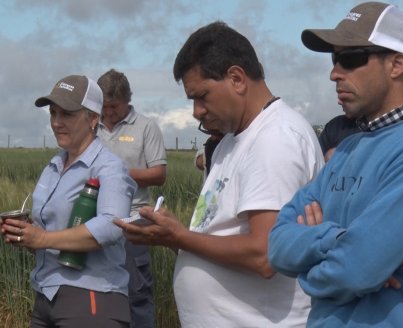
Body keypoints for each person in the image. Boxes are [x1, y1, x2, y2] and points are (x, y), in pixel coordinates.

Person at [268, 2, 403, 327]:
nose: (334, 73)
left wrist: (309, 264)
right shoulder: (348, 148)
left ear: (397, 64)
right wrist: (334, 239)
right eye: (334, 60)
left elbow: (355, 272)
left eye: (350, 58)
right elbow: (277, 245)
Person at [114, 21, 325, 327]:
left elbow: (265, 255)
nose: (196, 112)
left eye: (201, 96)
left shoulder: (276, 138)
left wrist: (181, 236)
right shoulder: (231, 141)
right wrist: (172, 235)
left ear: (237, 78)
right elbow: (220, 239)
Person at [1, 74, 136, 327]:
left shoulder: (109, 168)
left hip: (91, 297)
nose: (57, 122)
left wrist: (42, 239)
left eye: (68, 114)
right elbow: (50, 235)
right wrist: (27, 234)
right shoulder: (53, 166)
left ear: (93, 119)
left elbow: (111, 226)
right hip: (45, 294)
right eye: (53, 113)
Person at [97, 68, 167, 328]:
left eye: (113, 106)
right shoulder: (92, 126)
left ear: (128, 100)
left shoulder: (146, 127)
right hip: (97, 219)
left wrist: (119, 175)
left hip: (135, 220)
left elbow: (159, 174)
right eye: (104, 106)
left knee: (136, 292)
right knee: (101, 290)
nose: (108, 112)